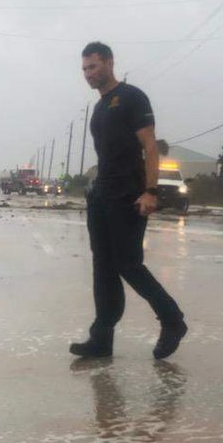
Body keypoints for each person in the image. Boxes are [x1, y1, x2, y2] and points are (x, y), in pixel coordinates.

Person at [70, 42, 188, 361]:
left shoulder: (133, 97)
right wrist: (93, 187)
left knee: (128, 264)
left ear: (109, 62)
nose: (88, 74)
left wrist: (151, 191)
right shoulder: (99, 107)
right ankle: (101, 339)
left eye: (93, 67)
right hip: (102, 194)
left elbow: (150, 146)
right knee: (103, 267)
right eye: (84, 69)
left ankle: (172, 320)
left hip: (128, 193)